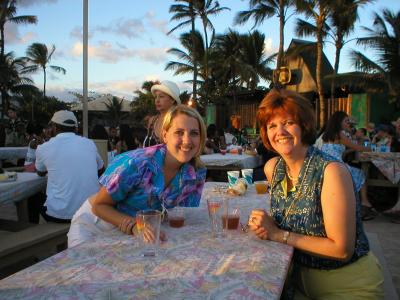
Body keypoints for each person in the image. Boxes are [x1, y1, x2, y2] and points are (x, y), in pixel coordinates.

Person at [248, 89, 383, 299]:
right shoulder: (273, 168)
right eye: (272, 125)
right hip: (296, 280)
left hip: (346, 284)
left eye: (288, 122)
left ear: (304, 125)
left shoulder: (331, 172)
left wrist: (277, 234)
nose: (280, 131)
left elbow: (341, 249)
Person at [68, 105, 207, 247]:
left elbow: (175, 213)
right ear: (165, 135)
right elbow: (99, 206)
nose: (187, 140)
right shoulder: (138, 163)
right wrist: (135, 225)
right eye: (179, 132)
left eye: (194, 133)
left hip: (136, 232)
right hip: (95, 225)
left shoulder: (195, 174)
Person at [31, 110, 104, 223]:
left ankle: (32, 233)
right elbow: (101, 170)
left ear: (54, 127)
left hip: (60, 216)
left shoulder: (44, 147)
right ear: (75, 128)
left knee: (32, 195)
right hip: (91, 212)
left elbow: (40, 172)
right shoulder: (89, 143)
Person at [319, 111, 376, 221]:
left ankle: (359, 203)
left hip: (326, 165)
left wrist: (349, 149)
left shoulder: (327, 134)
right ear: (339, 122)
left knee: (355, 172)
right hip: (336, 166)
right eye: (346, 121)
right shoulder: (340, 134)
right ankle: (364, 202)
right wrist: (372, 148)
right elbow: (357, 148)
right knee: (360, 174)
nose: (348, 123)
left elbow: (337, 150)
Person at [143, 80, 180, 147]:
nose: (157, 100)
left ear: (172, 100)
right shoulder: (152, 121)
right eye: (156, 97)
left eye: (161, 96)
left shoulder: (178, 121)